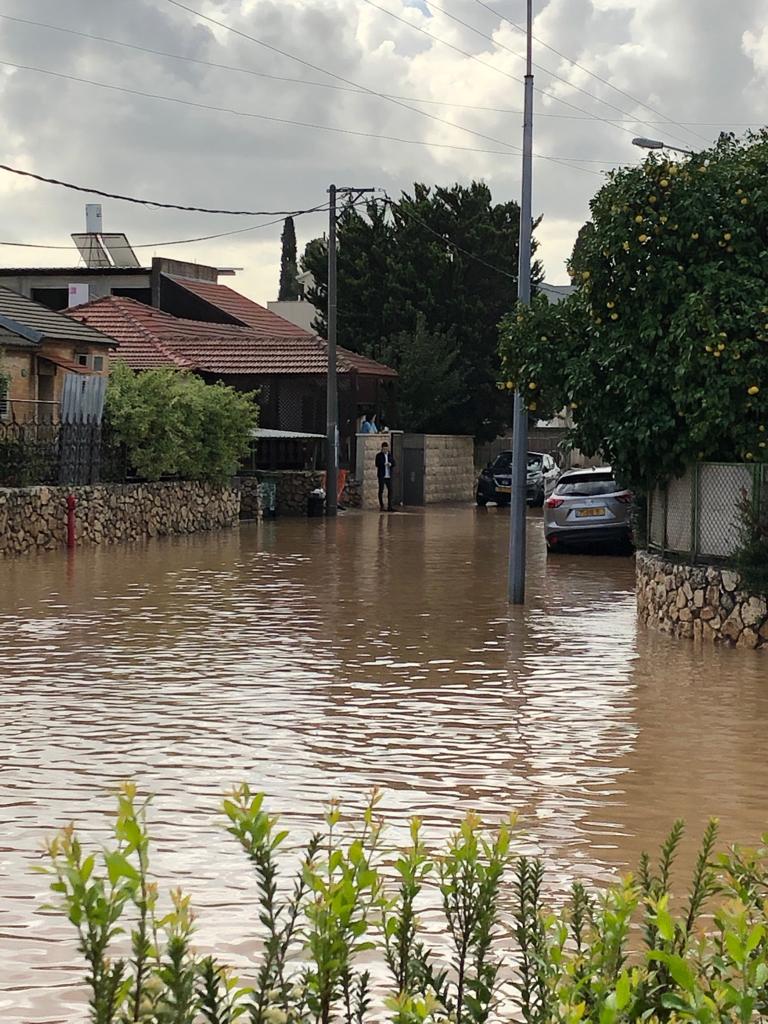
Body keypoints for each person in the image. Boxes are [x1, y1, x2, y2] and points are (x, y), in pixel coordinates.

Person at [375, 440, 395, 512]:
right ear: (382, 449)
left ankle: (390, 506)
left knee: (390, 490)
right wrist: (383, 464)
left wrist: (390, 464)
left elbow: (394, 462)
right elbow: (377, 464)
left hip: (388, 475)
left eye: (386, 449)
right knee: (381, 490)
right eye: (384, 449)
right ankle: (382, 506)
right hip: (382, 475)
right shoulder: (379, 455)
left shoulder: (390, 455)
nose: (385, 450)